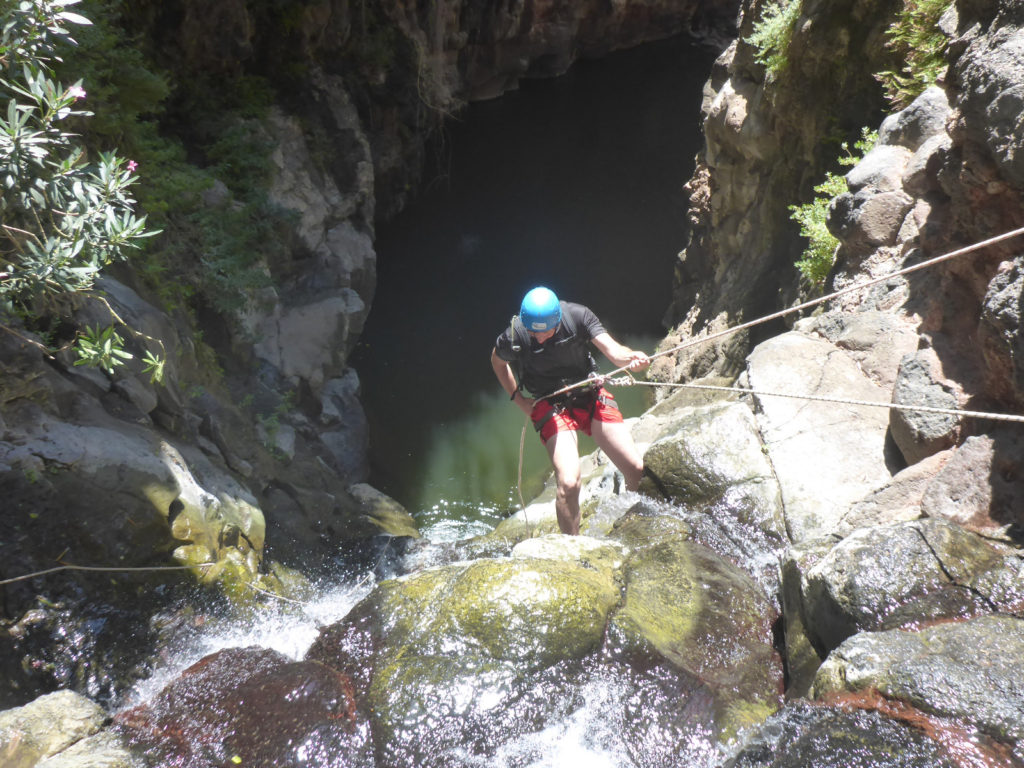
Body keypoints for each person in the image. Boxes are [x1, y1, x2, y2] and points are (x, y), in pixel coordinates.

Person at [491, 286, 650, 535]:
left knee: (634, 468)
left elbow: (614, 351)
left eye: (547, 332)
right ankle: (574, 548)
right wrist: (518, 399)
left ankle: (630, 510)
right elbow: (498, 362)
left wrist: (632, 359)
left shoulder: (578, 316)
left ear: (557, 321)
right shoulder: (516, 334)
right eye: (534, 333)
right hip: (549, 403)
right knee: (568, 481)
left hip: (589, 392)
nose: (540, 338)